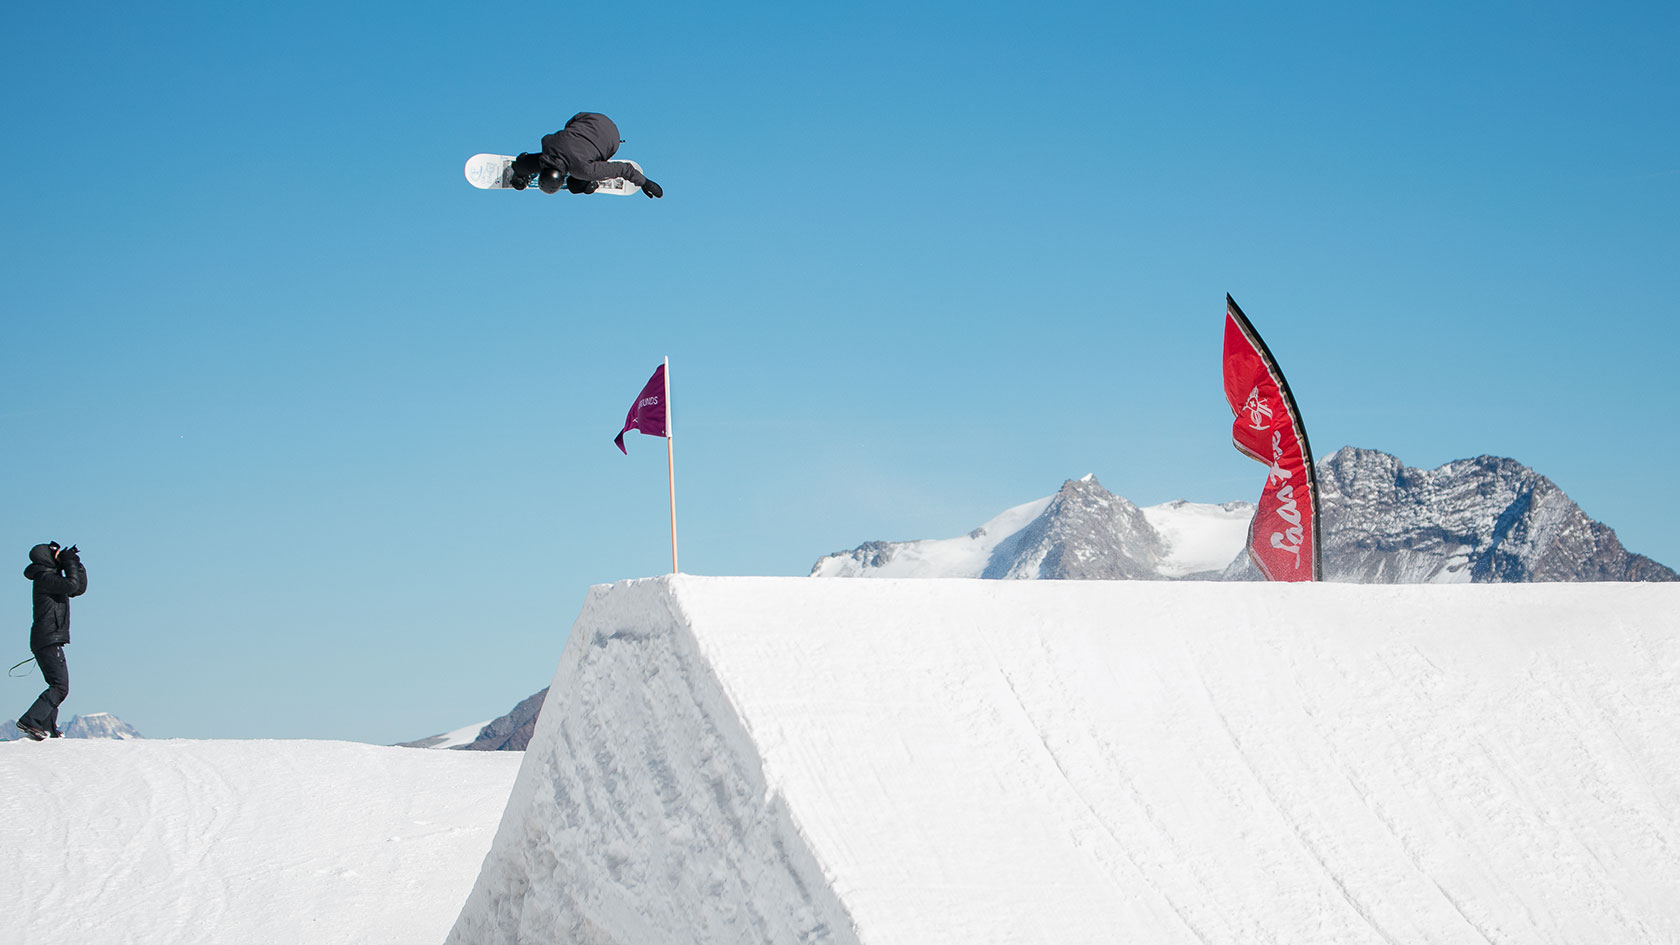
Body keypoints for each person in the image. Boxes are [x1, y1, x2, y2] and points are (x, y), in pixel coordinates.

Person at [15, 542, 86, 741]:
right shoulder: (45, 578)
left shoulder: (49, 578)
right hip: (47, 639)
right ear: (45, 557)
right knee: (60, 686)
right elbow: (71, 585)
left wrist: (76, 564)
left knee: (57, 684)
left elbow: (77, 589)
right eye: (54, 554)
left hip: (46, 639)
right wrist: (69, 563)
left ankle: (48, 728)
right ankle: (31, 720)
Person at [508, 112, 664, 198]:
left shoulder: (584, 170)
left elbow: (624, 169)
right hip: (589, 117)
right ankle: (522, 166)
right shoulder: (548, 145)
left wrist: (645, 183)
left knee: (576, 185)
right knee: (543, 159)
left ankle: (590, 184)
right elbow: (548, 139)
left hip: (612, 140)